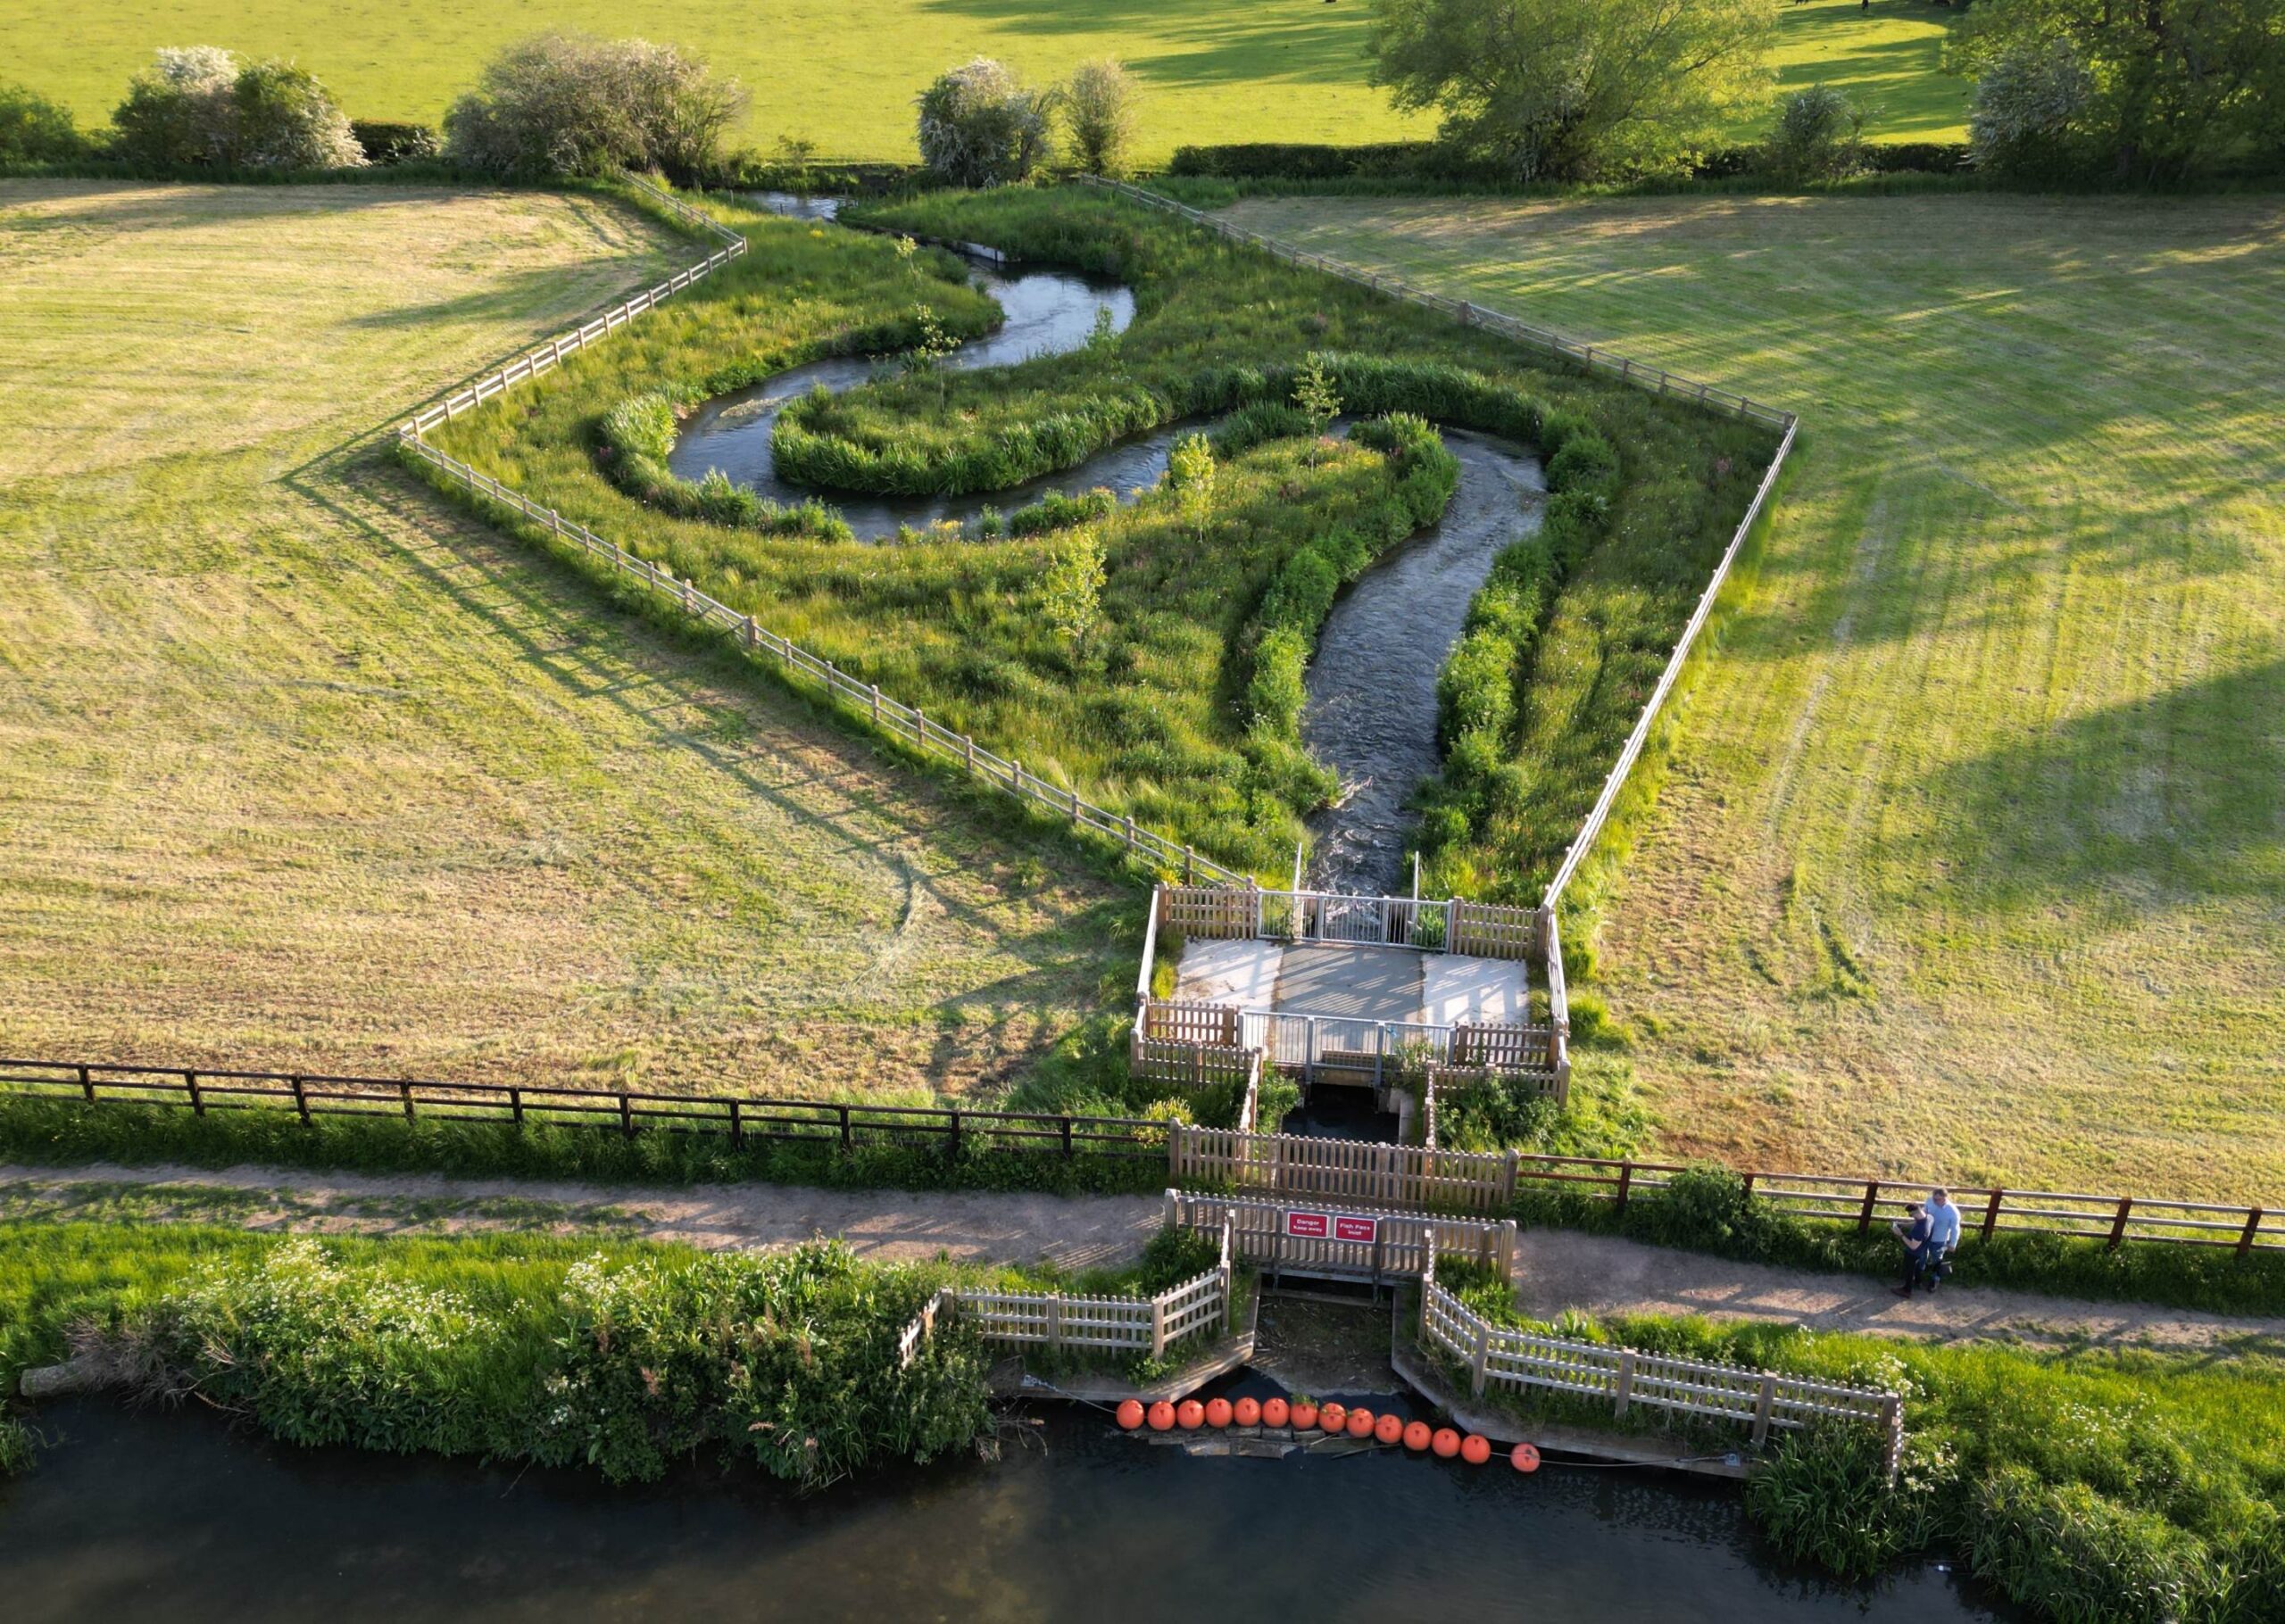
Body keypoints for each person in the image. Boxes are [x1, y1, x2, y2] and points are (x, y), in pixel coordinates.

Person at [1920, 1188, 1963, 1292]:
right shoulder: (1930, 1201)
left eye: (1938, 1199)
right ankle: (1918, 1277)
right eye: (1934, 1198)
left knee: (1937, 1260)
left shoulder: (1952, 1212)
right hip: (1926, 1236)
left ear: (1945, 1198)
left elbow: (1955, 1229)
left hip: (1939, 1239)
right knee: (1921, 1257)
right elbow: (1924, 1211)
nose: (1935, 1201)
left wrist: (1953, 1243)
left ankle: (1935, 1280)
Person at [1890, 1202, 1930, 1297]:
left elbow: (1913, 1246)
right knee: (1916, 1268)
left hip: (1913, 1252)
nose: (1910, 1216)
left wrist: (1900, 1234)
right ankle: (1918, 1282)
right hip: (1922, 1250)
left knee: (1909, 1270)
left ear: (1915, 1213)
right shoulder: (1926, 1217)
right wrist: (1902, 1224)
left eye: (1910, 1214)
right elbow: (1915, 1223)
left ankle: (1907, 1290)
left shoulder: (1920, 1229)